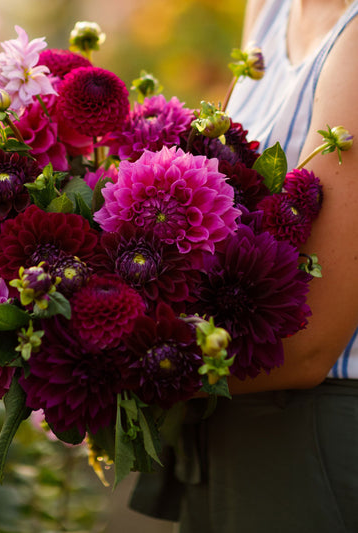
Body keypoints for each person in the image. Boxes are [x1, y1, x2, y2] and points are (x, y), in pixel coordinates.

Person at [130, 1, 358, 531]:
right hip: (226, 402)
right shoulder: (272, 6)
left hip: (310, 433)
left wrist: (112, 366)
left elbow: (310, 345)